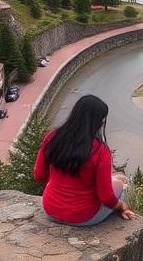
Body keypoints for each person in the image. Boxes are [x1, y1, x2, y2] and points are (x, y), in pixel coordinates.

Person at [33, 95, 136, 225]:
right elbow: (106, 197)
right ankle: (124, 209)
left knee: (118, 177)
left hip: (51, 210)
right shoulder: (99, 151)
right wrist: (122, 206)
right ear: (98, 122)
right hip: (82, 217)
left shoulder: (52, 137)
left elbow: (39, 175)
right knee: (121, 182)